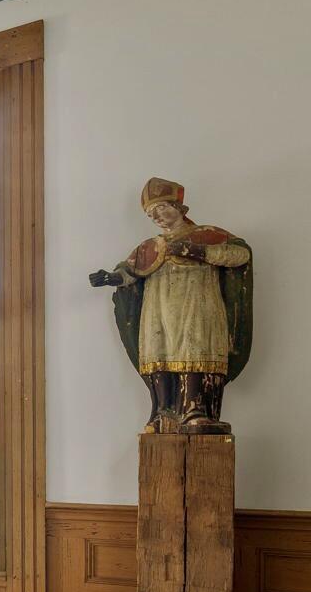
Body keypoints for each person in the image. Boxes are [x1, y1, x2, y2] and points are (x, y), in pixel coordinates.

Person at [89, 177, 252, 434]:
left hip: (197, 303)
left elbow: (240, 255)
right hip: (158, 308)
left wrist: (195, 251)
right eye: (152, 214)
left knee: (194, 346)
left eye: (162, 208)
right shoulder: (149, 247)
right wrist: (110, 277)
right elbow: (131, 271)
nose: (158, 216)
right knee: (159, 350)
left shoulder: (207, 234)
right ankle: (162, 410)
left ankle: (194, 409)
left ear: (179, 207)